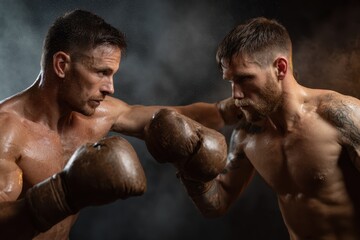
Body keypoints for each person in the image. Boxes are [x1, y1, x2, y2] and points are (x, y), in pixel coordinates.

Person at [0, 9, 233, 240]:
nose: (110, 88)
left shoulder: (98, 114)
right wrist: (62, 193)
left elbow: (172, 118)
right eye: (101, 72)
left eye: (112, 75)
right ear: (61, 65)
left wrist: (233, 109)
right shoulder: (6, 131)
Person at [144, 17, 360, 239]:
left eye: (245, 79)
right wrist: (188, 167)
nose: (236, 95)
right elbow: (217, 204)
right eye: (231, 82)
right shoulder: (246, 135)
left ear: (280, 68)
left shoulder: (341, 116)